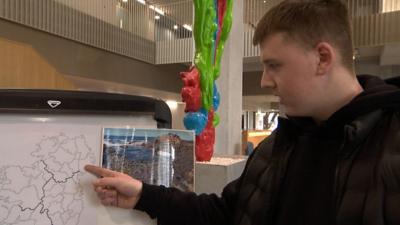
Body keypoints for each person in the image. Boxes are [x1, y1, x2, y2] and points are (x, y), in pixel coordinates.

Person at [85, 0, 400, 224]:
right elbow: (225, 213)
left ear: (322, 58)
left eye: (274, 65)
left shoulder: (391, 147)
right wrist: (143, 194)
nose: (264, 81)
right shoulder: (277, 148)